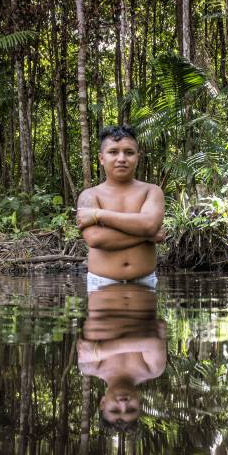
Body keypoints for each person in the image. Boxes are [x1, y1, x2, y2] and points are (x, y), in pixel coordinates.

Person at [76, 125, 165, 293]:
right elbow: (96, 239)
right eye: (113, 152)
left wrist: (98, 214)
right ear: (101, 158)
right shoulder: (89, 195)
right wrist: (147, 235)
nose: (121, 158)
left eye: (129, 152)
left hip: (145, 282)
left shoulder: (151, 191)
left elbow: (150, 224)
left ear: (138, 157)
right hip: (101, 283)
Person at [77, 282, 167, 431]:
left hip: (101, 282)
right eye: (131, 409)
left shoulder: (90, 367)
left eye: (115, 410)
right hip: (144, 280)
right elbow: (155, 338)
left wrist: (142, 337)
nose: (124, 404)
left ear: (102, 403)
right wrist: (99, 350)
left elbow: (92, 325)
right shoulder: (153, 370)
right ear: (140, 403)